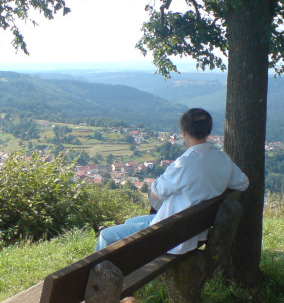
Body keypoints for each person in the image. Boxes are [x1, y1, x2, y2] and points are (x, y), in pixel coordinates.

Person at [95, 108, 249, 253]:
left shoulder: (184, 164)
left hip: (170, 238)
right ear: (208, 131)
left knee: (106, 236)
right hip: (193, 231)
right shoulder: (222, 158)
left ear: (183, 132)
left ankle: (97, 277)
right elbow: (243, 183)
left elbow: (155, 194)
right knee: (129, 222)